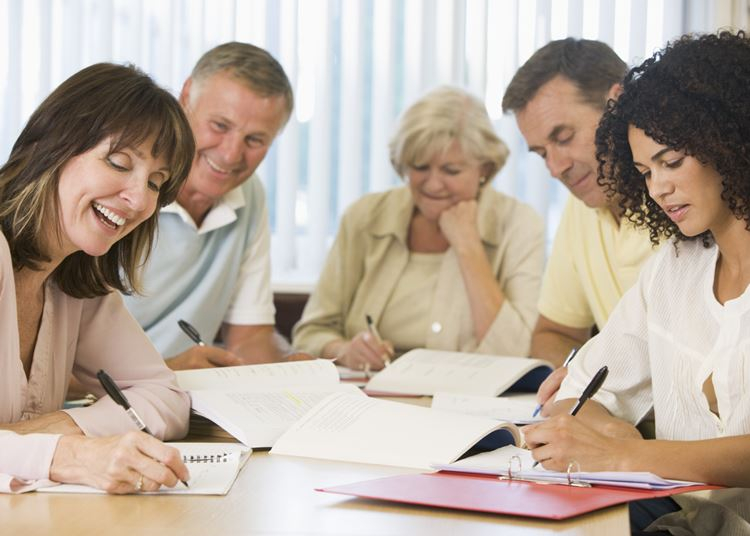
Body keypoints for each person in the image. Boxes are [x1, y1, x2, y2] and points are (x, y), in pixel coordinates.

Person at [523, 31, 750, 535]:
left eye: (671, 162)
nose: (659, 187)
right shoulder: (673, 268)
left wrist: (626, 453)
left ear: (730, 141)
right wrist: (601, 429)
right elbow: (578, 392)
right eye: (645, 171)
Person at [0, 63, 195, 494]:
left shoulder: (75, 277)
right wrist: (66, 454)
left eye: (156, 183)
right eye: (119, 162)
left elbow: (165, 396)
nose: (139, 198)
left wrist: (66, 424)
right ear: (52, 146)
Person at [293, 86, 544, 371]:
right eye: (420, 167)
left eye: (451, 171)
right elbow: (310, 333)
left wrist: (468, 247)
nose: (433, 184)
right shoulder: (365, 217)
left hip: (470, 402)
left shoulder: (519, 224)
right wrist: (345, 351)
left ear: (484, 168)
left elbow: (517, 352)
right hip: (370, 397)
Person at [501, 38, 659, 411]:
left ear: (617, 103)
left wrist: (597, 395)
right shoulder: (583, 204)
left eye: (564, 137)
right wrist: (582, 392)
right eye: (542, 153)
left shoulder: (684, 202)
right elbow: (552, 333)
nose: (556, 168)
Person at [123, 42, 294, 370]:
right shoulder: (126, 184)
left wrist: (290, 369)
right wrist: (167, 370)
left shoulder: (251, 195)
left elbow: (249, 338)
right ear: (185, 97)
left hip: (178, 400)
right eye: (220, 126)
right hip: (95, 402)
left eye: (255, 140)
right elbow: (56, 360)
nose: (231, 155)